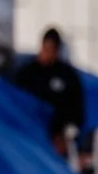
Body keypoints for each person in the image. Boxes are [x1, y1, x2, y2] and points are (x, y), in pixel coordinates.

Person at [12, 27, 85, 157]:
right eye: (45, 48)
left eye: (51, 50)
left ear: (57, 51)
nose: (47, 54)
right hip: (30, 135)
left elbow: (76, 110)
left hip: (58, 137)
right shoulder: (26, 74)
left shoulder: (67, 76)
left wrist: (67, 135)